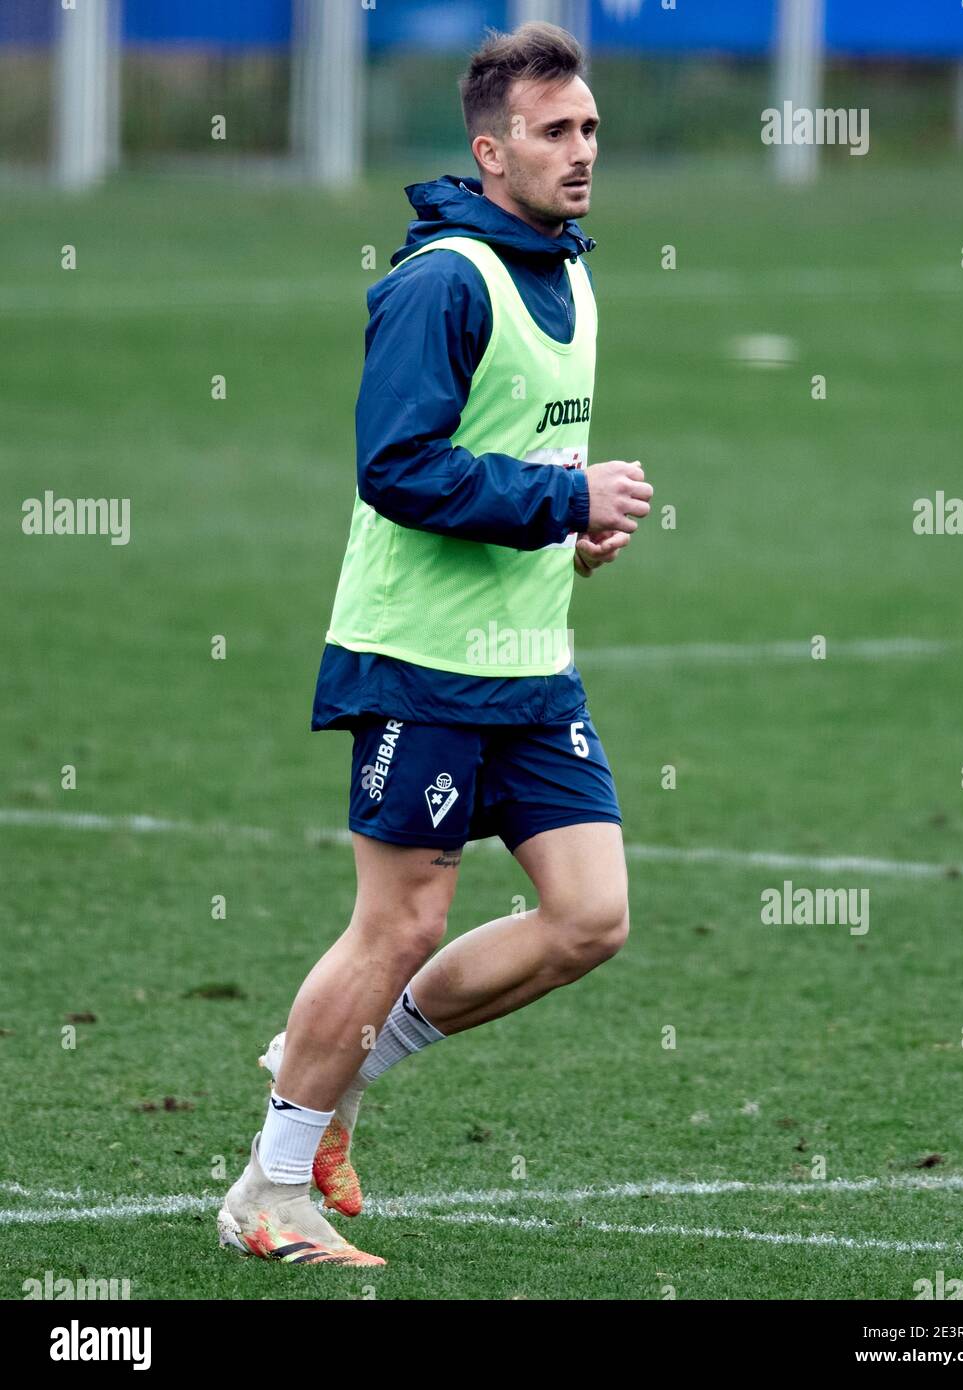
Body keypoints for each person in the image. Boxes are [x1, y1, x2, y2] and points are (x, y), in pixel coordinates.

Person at [218, 19, 653, 1268]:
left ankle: (339, 1075)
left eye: (589, 132)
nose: (580, 154)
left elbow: (516, 452)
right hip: (418, 659)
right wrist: (560, 503)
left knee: (587, 917)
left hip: (527, 660)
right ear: (489, 146)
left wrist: (565, 538)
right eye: (554, 133)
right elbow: (397, 467)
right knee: (398, 923)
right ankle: (271, 1188)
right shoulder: (438, 281)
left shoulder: (566, 270)